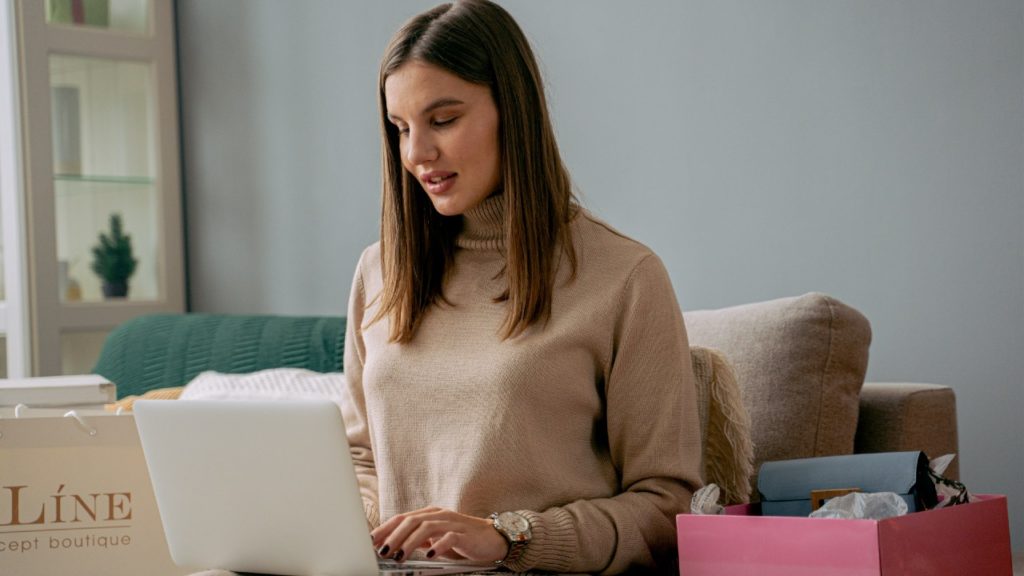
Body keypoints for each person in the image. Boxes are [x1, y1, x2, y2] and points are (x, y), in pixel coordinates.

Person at [340, 1, 702, 573]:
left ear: (513, 109)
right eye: (401, 128)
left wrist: (511, 536)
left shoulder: (625, 277)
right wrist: (340, 530)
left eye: (444, 119)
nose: (415, 154)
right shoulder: (378, 271)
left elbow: (668, 508)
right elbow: (362, 462)